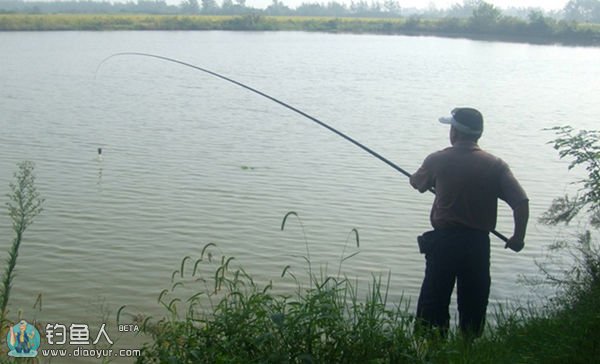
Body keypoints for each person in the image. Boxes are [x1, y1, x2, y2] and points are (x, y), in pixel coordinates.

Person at [409, 107, 529, 339]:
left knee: (433, 303)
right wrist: (517, 238)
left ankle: (432, 349)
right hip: (477, 245)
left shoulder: (438, 159)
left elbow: (417, 183)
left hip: (444, 243)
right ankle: (468, 350)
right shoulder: (496, 165)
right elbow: (521, 203)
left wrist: (421, 180)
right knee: (474, 302)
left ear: (455, 132)